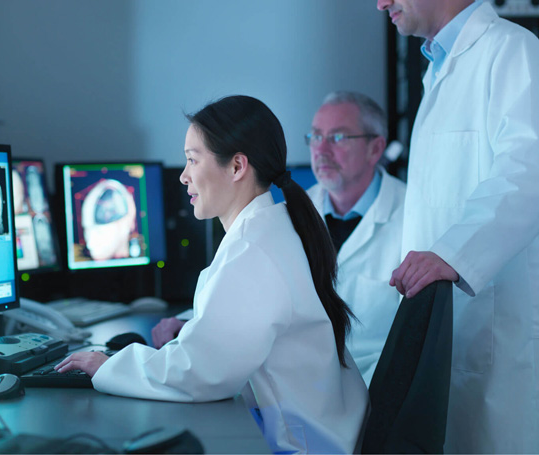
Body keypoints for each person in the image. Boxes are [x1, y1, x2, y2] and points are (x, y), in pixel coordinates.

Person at [56, 95, 369, 453]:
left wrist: (107, 366)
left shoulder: (254, 249)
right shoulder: (270, 227)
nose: (184, 175)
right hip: (320, 430)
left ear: (237, 167)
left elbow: (200, 374)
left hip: (305, 445)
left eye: (193, 160)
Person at [377, 0, 539, 451]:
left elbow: (527, 173)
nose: (380, 3)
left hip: (494, 338)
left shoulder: (512, 51)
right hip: (448, 331)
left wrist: (452, 254)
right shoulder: (438, 69)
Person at [306, 91, 405, 386]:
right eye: (315, 136)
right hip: (300, 391)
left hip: (379, 394)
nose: (321, 150)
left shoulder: (413, 215)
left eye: (338, 138)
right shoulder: (288, 216)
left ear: (375, 149)